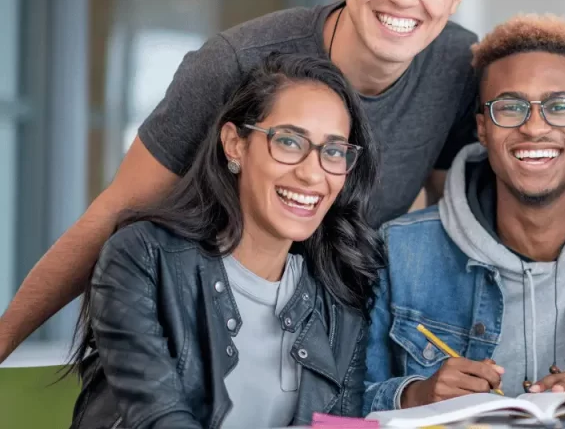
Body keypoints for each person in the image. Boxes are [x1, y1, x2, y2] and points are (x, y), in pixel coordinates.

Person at [0, 0, 478, 364]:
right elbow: (115, 215)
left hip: (322, 352)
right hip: (195, 342)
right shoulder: (235, 64)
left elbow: (441, 227)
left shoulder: (458, 67)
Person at [363, 15, 565, 414]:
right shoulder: (402, 249)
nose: (534, 127)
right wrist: (415, 396)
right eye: (510, 107)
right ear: (483, 128)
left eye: (560, 106)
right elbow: (344, 400)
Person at [69, 54, 383, 428]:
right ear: (235, 144)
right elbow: (157, 419)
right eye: (288, 142)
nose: (312, 174)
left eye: (333, 151)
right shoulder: (142, 258)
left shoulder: (340, 300)